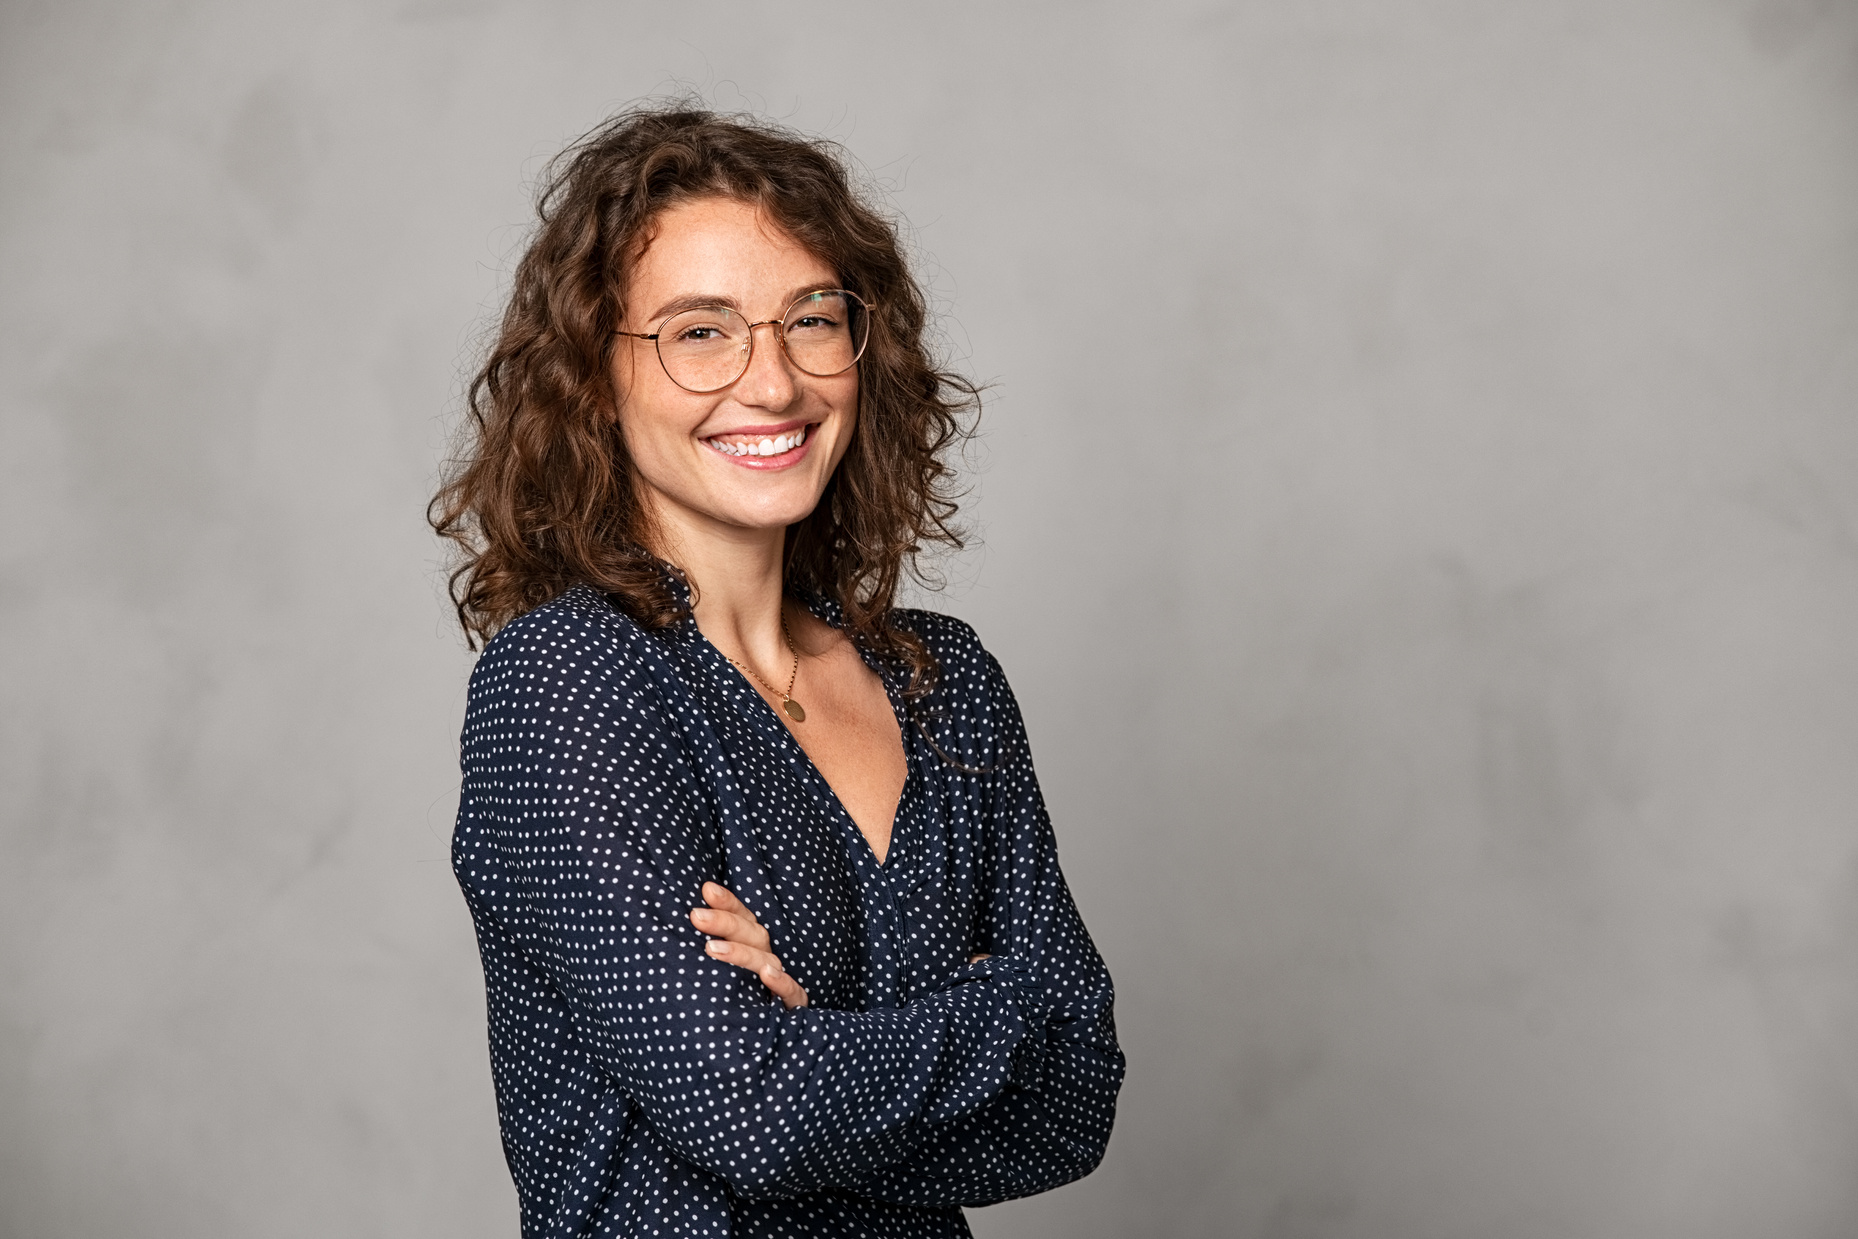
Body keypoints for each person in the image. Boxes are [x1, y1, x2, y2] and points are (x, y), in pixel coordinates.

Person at [431, 105, 1123, 1239]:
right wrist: (1005, 1005)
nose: (774, 383)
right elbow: (752, 1112)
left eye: (811, 320)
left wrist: (823, 1038)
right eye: (699, 332)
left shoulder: (945, 684)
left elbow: (1077, 1094)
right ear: (593, 380)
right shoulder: (566, 683)